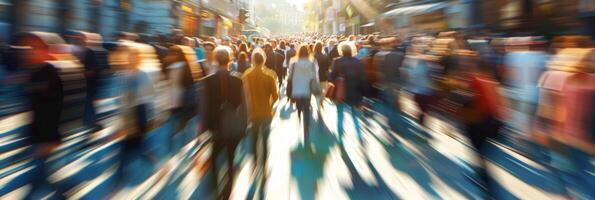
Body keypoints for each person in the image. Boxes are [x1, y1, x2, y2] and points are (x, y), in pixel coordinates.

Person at [200, 46, 247, 200]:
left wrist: (202, 127)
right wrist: (244, 125)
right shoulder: (238, 79)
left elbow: (204, 107)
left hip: (216, 126)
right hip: (234, 126)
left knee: (214, 158)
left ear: (215, 59)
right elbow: (245, 105)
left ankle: (215, 185)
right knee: (231, 159)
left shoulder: (207, 81)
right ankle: (228, 191)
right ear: (230, 60)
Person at [241, 48, 279, 192]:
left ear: (252, 60)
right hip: (266, 114)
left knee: (254, 139)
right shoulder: (270, 76)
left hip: (252, 114)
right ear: (264, 60)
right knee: (265, 141)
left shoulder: (246, 75)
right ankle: (264, 169)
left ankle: (254, 165)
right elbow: (275, 97)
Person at [329, 41, 368, 144]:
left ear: (341, 50)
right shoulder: (357, 62)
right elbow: (363, 79)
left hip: (341, 92)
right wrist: (364, 94)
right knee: (355, 116)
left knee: (340, 114)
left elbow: (331, 77)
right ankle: (359, 136)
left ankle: (340, 135)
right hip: (355, 92)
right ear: (351, 50)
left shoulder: (337, 61)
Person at [287, 44, 320, 145]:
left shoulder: (293, 62)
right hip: (307, 89)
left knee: (299, 108)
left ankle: (300, 121)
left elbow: (289, 77)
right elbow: (315, 76)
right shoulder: (312, 62)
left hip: (296, 89)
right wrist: (316, 86)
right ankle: (306, 129)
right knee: (307, 108)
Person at [313, 41, 331, 107]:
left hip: (315, 77)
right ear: (321, 48)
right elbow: (328, 67)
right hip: (324, 76)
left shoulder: (313, 56)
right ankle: (321, 99)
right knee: (324, 90)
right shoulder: (325, 56)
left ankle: (318, 104)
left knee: (316, 91)